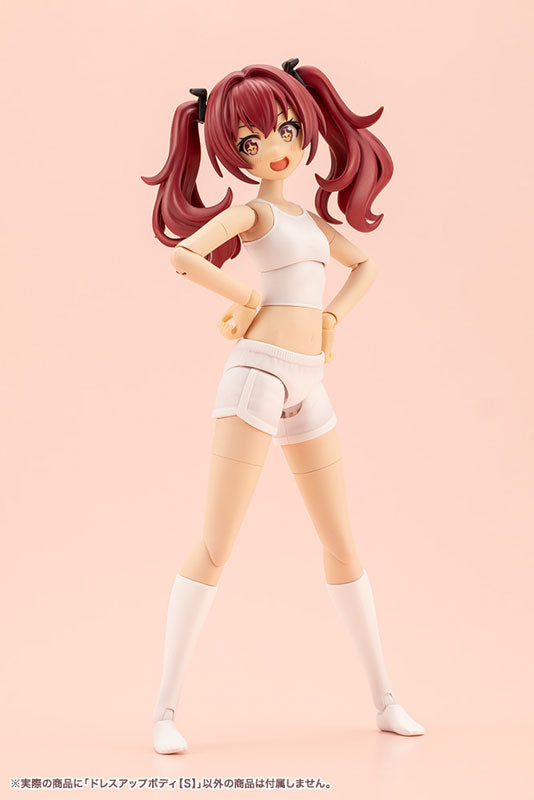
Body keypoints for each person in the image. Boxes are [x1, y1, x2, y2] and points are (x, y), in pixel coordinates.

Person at [142, 58, 424, 754]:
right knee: (217, 544)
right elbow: (184, 256)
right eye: (251, 142)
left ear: (305, 129)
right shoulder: (255, 212)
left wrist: (331, 318)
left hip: (310, 381)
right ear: (232, 153)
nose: (275, 149)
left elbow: (367, 265)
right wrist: (246, 297)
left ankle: (386, 699)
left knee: (342, 544)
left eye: (287, 130)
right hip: (258, 376)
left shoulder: (309, 220)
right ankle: (164, 712)